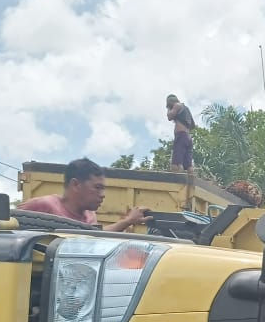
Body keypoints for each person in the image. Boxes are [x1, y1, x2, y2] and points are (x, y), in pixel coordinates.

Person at [18, 157, 149, 232]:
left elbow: (95, 236)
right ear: (75, 185)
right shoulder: (43, 205)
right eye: (97, 187)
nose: (102, 195)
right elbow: (6, 227)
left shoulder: (89, 216)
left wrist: (128, 221)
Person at [165, 95, 196, 173]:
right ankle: (190, 183)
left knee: (176, 163)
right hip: (188, 138)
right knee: (188, 165)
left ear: (171, 101)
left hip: (181, 136)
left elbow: (169, 117)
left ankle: (175, 182)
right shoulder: (186, 108)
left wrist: (168, 108)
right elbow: (192, 125)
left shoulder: (177, 105)